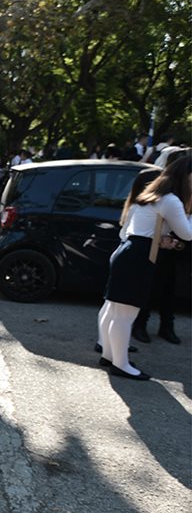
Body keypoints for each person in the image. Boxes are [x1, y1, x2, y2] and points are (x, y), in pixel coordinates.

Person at [97, 154, 192, 380]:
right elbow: (187, 234)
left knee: (114, 311)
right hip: (139, 256)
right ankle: (120, 364)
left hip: (129, 251)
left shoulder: (155, 196)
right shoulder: (171, 200)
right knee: (125, 315)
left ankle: (110, 356)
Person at [131, 149, 192, 344]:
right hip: (155, 245)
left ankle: (167, 326)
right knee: (148, 287)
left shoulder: (174, 193)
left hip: (176, 245)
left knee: (170, 288)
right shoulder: (165, 192)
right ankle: (139, 325)